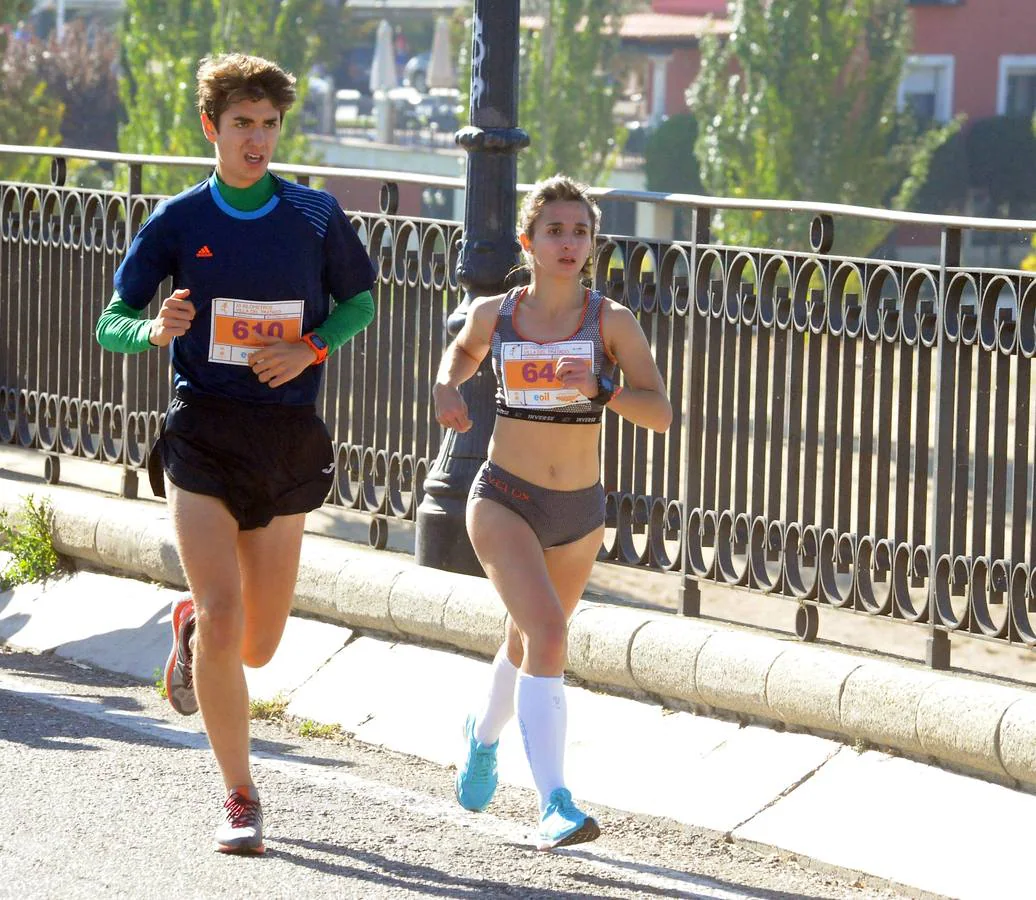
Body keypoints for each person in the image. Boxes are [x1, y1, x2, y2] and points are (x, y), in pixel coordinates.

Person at [94, 53, 376, 855]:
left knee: (256, 645)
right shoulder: (179, 221)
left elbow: (359, 302)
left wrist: (310, 348)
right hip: (204, 434)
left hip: (286, 441)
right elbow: (111, 322)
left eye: (269, 124)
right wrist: (154, 330)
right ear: (211, 128)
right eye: (242, 124)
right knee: (227, 615)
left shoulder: (316, 217)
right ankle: (240, 796)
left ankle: (189, 636)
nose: (257, 139)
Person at [432, 175, 672, 850]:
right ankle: (554, 803)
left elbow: (660, 412)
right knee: (549, 636)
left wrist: (602, 386)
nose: (570, 244)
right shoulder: (497, 313)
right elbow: (462, 353)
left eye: (581, 232)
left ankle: (481, 738)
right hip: (505, 498)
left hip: (579, 511)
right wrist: (448, 386)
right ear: (527, 242)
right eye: (555, 231)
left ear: (593, 243)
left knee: (526, 639)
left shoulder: (610, 321)